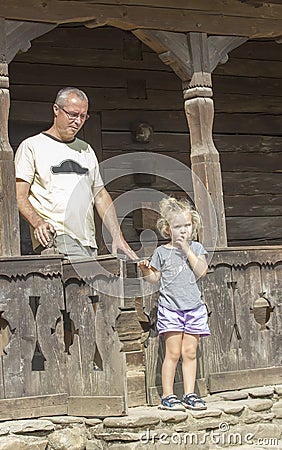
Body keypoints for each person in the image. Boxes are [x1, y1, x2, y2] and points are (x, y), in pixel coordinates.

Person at [15, 87, 136, 260]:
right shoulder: (32, 146)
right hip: (56, 238)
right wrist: (38, 222)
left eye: (83, 116)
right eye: (72, 114)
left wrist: (117, 236)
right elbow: (19, 195)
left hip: (88, 242)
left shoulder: (86, 150)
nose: (77, 121)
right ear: (56, 110)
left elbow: (100, 196)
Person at [138, 197, 210, 411]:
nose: (183, 230)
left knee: (189, 352)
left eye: (187, 225)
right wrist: (145, 270)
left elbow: (202, 271)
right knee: (173, 353)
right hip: (170, 310)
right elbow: (154, 279)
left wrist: (186, 249)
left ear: (193, 226)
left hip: (194, 309)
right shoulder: (162, 252)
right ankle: (168, 396)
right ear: (167, 229)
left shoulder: (196, 248)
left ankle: (189, 393)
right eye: (178, 226)